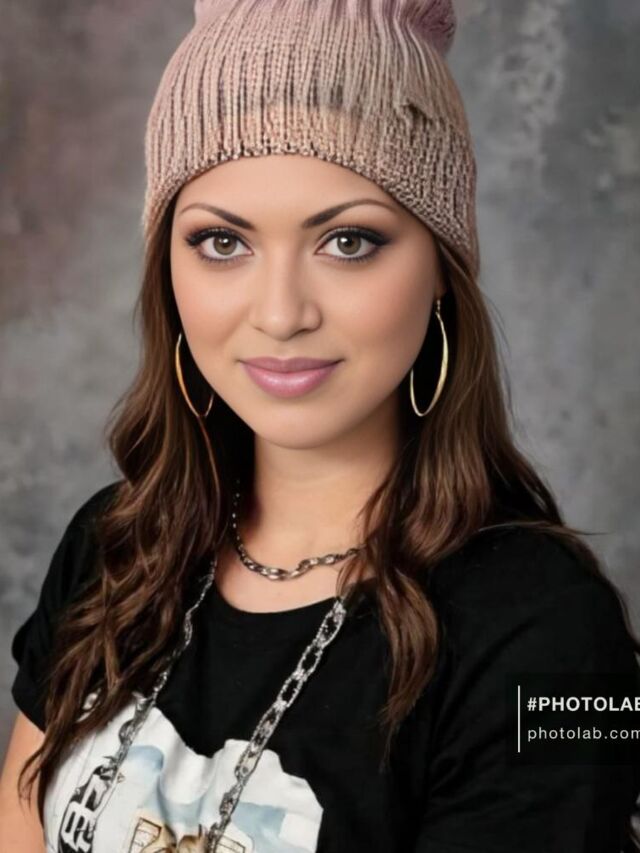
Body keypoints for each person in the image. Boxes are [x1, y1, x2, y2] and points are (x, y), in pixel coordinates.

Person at [1, 0, 639, 851]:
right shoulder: (113, 545)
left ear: (441, 267)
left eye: (347, 241)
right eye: (222, 242)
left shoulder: (555, 637)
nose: (280, 312)